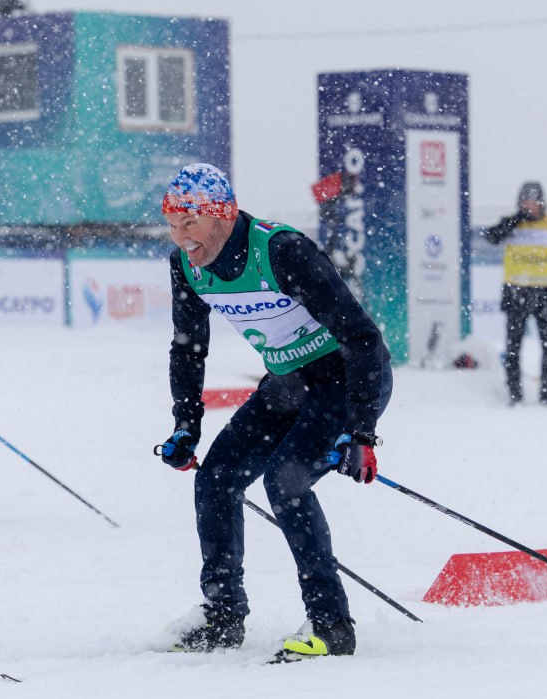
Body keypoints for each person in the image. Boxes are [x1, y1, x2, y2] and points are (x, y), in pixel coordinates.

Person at [155, 163, 392, 662]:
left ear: (223, 214)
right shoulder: (187, 265)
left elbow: (364, 340)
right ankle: (223, 617)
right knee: (216, 478)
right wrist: (185, 426)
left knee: (286, 481)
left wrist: (362, 430)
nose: (181, 238)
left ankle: (332, 626)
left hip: (341, 382)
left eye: (190, 224)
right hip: (287, 384)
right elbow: (188, 348)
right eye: (172, 225)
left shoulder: (282, 251)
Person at [482, 181, 547, 405]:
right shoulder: (512, 224)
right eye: (526, 201)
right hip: (516, 294)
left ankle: (546, 395)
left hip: (546, 296)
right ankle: (515, 394)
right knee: (513, 347)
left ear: (542, 203)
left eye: (534, 201)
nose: (530, 206)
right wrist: (516, 219)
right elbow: (491, 237)